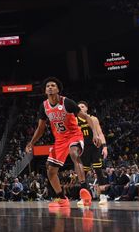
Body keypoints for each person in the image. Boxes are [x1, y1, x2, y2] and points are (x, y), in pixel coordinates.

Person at [25, 77, 103, 210]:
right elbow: (41, 128)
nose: (50, 87)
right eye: (47, 86)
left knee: (74, 153)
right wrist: (31, 142)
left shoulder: (67, 102)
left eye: (53, 85)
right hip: (60, 140)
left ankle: (84, 190)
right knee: (50, 170)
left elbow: (87, 117)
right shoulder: (44, 106)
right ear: (45, 90)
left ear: (58, 89)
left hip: (74, 135)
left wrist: (95, 134)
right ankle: (62, 198)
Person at [76, 101, 108, 205]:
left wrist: (104, 147)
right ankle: (84, 197)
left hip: (95, 148)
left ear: (86, 109)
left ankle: (103, 196)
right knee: (82, 173)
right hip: (83, 149)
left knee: (98, 171)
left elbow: (100, 133)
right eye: (78, 107)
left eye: (82, 106)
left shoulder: (93, 119)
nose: (80, 108)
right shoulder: (75, 120)